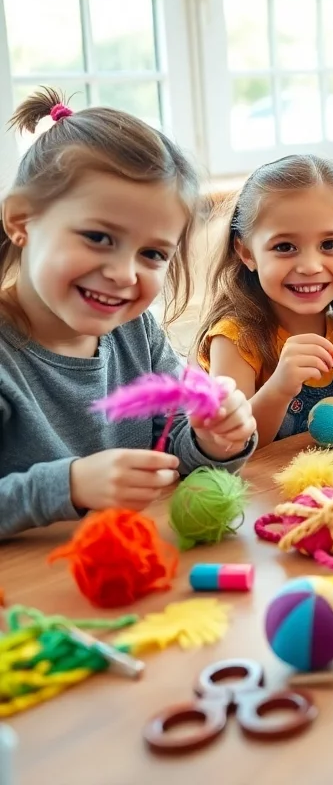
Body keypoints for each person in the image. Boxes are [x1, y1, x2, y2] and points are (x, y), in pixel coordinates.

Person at [0, 89, 255, 539]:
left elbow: (176, 449)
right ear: (22, 221)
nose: (122, 274)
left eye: (153, 253)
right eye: (98, 237)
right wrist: (71, 484)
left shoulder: (135, 330)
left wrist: (212, 442)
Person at [198, 155, 333, 443]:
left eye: (329, 244)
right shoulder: (235, 340)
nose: (310, 266)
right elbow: (229, 442)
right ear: (247, 253)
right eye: (285, 246)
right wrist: (279, 388)